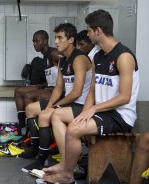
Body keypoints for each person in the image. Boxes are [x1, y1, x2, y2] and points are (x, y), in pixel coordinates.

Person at [42, 9, 139, 183]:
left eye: (88, 30)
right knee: (64, 119)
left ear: (98, 31)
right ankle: (67, 165)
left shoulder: (124, 56)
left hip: (120, 116)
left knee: (73, 129)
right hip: (102, 112)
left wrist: (92, 109)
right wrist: (85, 112)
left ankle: (67, 174)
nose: (86, 34)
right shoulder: (98, 57)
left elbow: (124, 97)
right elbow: (92, 91)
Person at [20, 23, 92, 170]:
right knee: (30, 109)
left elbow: (77, 92)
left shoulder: (79, 59)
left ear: (71, 40)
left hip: (81, 105)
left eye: (60, 38)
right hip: (69, 101)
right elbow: (59, 87)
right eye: (55, 38)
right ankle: (35, 149)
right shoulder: (63, 60)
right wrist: (49, 105)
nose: (56, 42)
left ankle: (42, 159)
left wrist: (54, 106)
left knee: (45, 116)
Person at [14, 30, 60, 136]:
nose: (34, 44)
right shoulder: (45, 56)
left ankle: (33, 132)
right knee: (19, 91)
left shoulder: (53, 53)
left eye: (36, 41)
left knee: (29, 95)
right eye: (33, 41)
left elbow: (68, 66)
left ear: (45, 41)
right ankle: (22, 127)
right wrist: (43, 85)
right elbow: (53, 76)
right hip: (48, 87)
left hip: (57, 90)